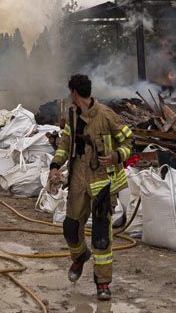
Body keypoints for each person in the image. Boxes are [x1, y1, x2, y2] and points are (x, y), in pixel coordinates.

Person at [47, 73, 133, 301]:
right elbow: (65, 144)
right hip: (78, 180)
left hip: (103, 182)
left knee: (101, 236)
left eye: (70, 93)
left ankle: (103, 283)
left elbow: (129, 142)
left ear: (75, 93)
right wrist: (55, 166)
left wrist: (116, 155)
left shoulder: (106, 116)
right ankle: (80, 256)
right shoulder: (73, 114)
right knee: (70, 228)